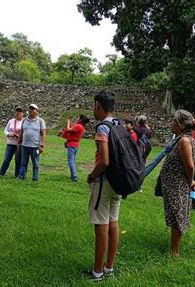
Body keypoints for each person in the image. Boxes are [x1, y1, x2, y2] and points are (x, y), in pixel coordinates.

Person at [86, 90, 121, 281]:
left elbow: (104, 160)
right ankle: (109, 268)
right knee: (113, 224)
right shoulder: (119, 124)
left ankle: (97, 272)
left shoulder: (102, 128)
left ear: (98, 105)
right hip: (118, 182)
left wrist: (92, 176)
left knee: (101, 226)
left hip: (103, 182)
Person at [158, 110, 195, 256]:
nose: (172, 124)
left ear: (180, 124)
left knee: (177, 215)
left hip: (178, 184)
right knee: (175, 213)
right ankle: (174, 247)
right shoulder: (180, 138)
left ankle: (175, 251)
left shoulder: (184, 141)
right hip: (173, 183)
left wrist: (189, 180)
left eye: (174, 121)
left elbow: (190, 165)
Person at [17, 104, 46, 181]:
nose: (31, 110)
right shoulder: (24, 120)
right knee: (23, 162)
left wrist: (41, 145)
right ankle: (22, 176)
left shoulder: (40, 121)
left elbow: (43, 134)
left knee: (35, 163)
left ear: (37, 111)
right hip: (25, 145)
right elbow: (22, 132)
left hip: (35, 146)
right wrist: (19, 142)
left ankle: (35, 178)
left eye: (33, 109)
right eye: (30, 108)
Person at [61, 114, 90, 182]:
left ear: (80, 120)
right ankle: (73, 176)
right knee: (72, 161)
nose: (77, 119)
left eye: (78, 118)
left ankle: (74, 177)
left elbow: (68, 129)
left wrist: (68, 122)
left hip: (72, 145)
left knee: (71, 161)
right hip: (74, 145)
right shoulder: (81, 127)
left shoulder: (79, 126)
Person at [0, 106, 25, 177]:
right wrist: (9, 134)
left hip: (19, 144)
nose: (18, 113)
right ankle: (1, 173)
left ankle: (17, 175)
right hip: (10, 143)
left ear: (23, 113)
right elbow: (5, 130)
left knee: (18, 160)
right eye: (17, 111)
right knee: (7, 159)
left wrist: (19, 137)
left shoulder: (24, 122)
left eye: (20, 111)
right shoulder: (11, 121)